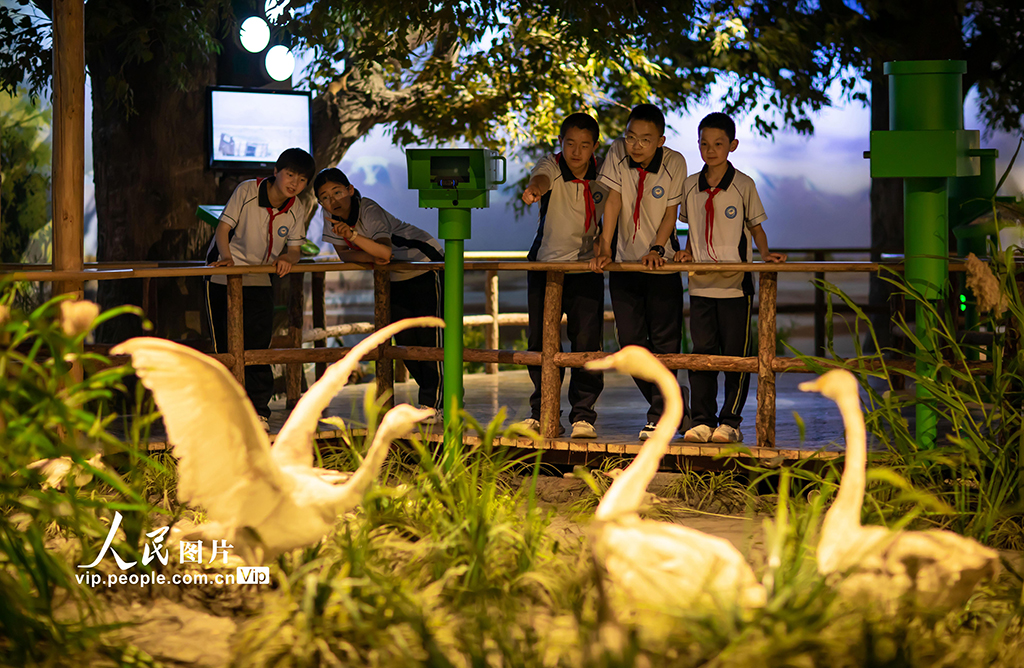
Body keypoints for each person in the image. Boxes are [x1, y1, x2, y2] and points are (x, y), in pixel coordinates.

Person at [674, 112, 786, 444]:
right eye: (704, 144)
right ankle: (702, 419)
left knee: (736, 356)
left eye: (718, 144)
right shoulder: (690, 185)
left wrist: (765, 254)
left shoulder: (743, 184)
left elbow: (755, 227)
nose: (710, 150)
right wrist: (685, 252)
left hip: (736, 285)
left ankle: (730, 422)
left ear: (732, 145)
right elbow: (690, 227)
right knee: (701, 354)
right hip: (700, 283)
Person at [314, 167, 444, 422]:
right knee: (405, 341)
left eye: (337, 192)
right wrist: (373, 255)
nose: (332, 201)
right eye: (325, 197)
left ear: (350, 190)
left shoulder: (368, 209)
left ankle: (435, 404)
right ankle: (435, 399)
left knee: (430, 338)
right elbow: (345, 255)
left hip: (425, 265)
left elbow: (384, 252)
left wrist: (355, 237)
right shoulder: (330, 217)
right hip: (395, 275)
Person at [590, 103, 688, 440]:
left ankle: (659, 416)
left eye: (645, 140)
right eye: (630, 137)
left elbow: (671, 212)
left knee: (664, 343)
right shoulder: (617, 152)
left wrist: (657, 248)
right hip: (624, 262)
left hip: (661, 265)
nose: (635, 145)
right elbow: (613, 200)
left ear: (660, 141)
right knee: (630, 342)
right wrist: (605, 245)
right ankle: (676, 404)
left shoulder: (675, 162)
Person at [205, 147, 316, 431]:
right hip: (223, 275)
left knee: (258, 347)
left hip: (260, 278)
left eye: (302, 179)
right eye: (290, 175)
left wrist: (287, 258)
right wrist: (226, 258)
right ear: (276, 172)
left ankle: (258, 412)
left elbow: (295, 250)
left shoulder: (297, 207)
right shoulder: (247, 191)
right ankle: (225, 412)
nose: (295, 183)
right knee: (224, 347)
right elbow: (222, 229)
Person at [521, 112, 608, 439]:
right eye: (570, 143)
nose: (576, 151)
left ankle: (583, 415)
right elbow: (541, 178)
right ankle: (542, 410)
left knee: (586, 342)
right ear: (561, 142)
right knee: (539, 341)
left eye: (584, 145)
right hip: (545, 267)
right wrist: (535, 190)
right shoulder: (552, 165)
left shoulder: (605, 174)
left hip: (586, 268)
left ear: (594, 146)